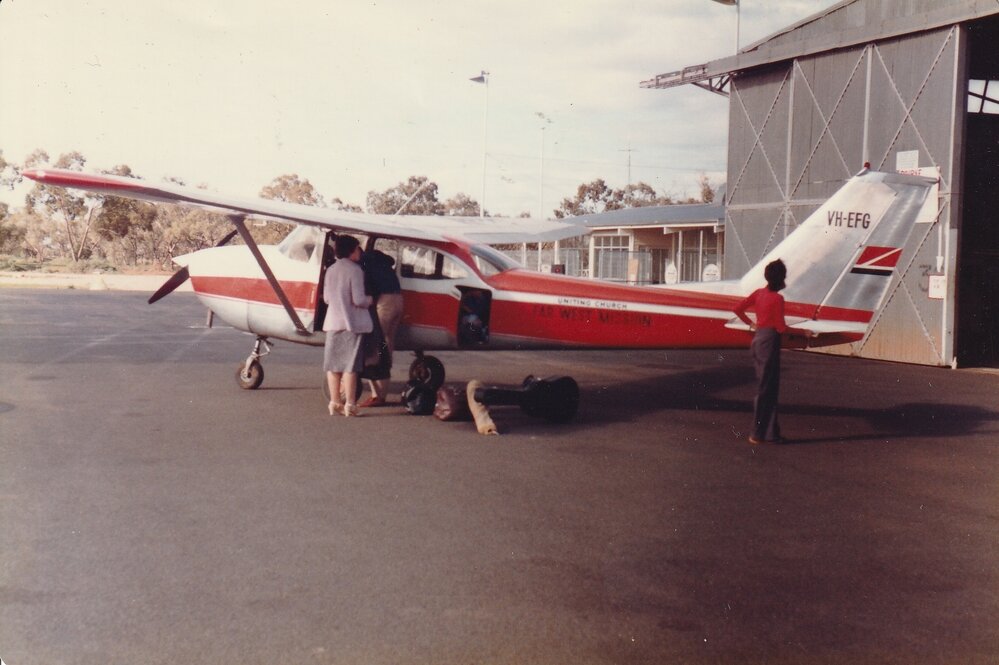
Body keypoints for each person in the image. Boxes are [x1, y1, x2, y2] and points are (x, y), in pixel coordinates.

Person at [733, 259, 806, 444]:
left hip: (758, 340)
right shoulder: (777, 299)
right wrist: (803, 332)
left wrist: (751, 324)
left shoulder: (759, 293)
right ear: (781, 279)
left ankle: (770, 433)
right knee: (767, 389)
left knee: (768, 388)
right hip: (770, 343)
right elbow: (781, 327)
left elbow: (738, 308)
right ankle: (757, 433)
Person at [323, 235, 372, 417]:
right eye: (358, 249)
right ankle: (350, 404)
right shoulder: (355, 271)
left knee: (333, 366)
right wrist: (370, 300)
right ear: (351, 251)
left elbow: (327, 298)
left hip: (333, 323)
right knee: (350, 367)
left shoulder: (331, 270)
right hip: (352, 324)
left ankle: (334, 401)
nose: (360, 252)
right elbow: (358, 299)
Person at [358, 248, 404, 407]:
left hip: (385, 303)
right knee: (387, 343)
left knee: (375, 346)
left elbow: (367, 291)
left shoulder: (364, 262)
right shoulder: (382, 261)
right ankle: (382, 388)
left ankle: (377, 394)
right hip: (398, 301)